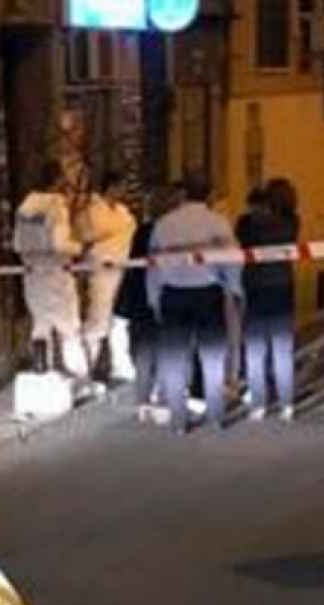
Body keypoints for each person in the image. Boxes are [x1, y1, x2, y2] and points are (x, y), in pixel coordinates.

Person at [147, 167, 243, 434]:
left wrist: (154, 297)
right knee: (212, 356)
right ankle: (215, 416)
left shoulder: (164, 224)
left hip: (174, 295)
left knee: (175, 358)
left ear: (183, 192)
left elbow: (153, 265)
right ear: (209, 194)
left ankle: (179, 420)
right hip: (207, 294)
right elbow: (233, 259)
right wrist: (234, 289)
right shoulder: (218, 223)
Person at [12, 160, 86, 379]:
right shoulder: (56, 205)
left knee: (41, 322)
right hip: (56, 272)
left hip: (32, 273)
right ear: (58, 180)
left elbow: (17, 243)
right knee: (69, 325)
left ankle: (42, 371)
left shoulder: (25, 206)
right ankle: (78, 375)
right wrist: (79, 247)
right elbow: (58, 244)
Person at [236, 177, 300, 421]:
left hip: (255, 288)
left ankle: (259, 403)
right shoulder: (291, 222)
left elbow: (240, 244)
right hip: (282, 287)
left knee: (255, 349)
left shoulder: (247, 223)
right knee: (282, 349)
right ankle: (286, 404)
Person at [116, 182, 173, 421]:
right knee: (164, 345)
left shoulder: (141, 232)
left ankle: (142, 399)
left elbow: (133, 263)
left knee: (143, 348)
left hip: (140, 295)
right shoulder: (171, 232)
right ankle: (162, 397)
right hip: (164, 293)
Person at [78, 169, 139, 380]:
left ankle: (120, 364)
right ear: (111, 187)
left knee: (120, 320)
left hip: (123, 268)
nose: (123, 191)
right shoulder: (93, 210)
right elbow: (89, 233)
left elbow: (130, 229)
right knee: (99, 319)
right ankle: (86, 366)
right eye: (121, 186)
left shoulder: (123, 212)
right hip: (101, 270)